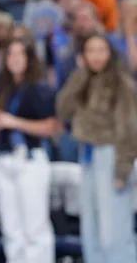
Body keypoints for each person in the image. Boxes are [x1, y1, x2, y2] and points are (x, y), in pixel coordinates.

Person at [56, 34, 137, 263]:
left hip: (110, 155)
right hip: (87, 155)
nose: (97, 56)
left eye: (101, 50)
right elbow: (62, 110)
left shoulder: (122, 83)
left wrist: (122, 170)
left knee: (114, 229)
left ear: (109, 53)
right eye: (91, 50)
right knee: (90, 228)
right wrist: (79, 75)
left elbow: (129, 130)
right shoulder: (82, 81)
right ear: (84, 55)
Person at [0, 38, 59, 263]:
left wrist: (14, 122)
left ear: (29, 58)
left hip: (31, 159)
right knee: (11, 228)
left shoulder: (40, 88)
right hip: (4, 159)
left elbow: (52, 127)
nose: (15, 59)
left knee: (35, 227)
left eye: (20, 54)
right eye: (10, 54)